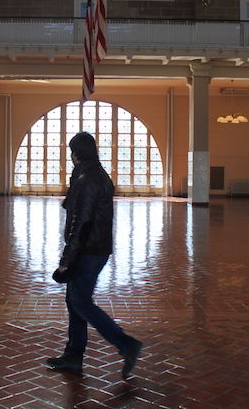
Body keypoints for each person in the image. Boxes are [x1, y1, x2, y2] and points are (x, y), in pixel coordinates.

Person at [47, 131, 143, 377]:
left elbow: (82, 221)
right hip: (93, 247)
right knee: (75, 300)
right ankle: (73, 355)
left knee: (80, 302)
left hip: (89, 250)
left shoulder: (88, 177)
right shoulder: (91, 173)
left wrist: (67, 261)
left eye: (71, 152)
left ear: (76, 152)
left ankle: (126, 344)